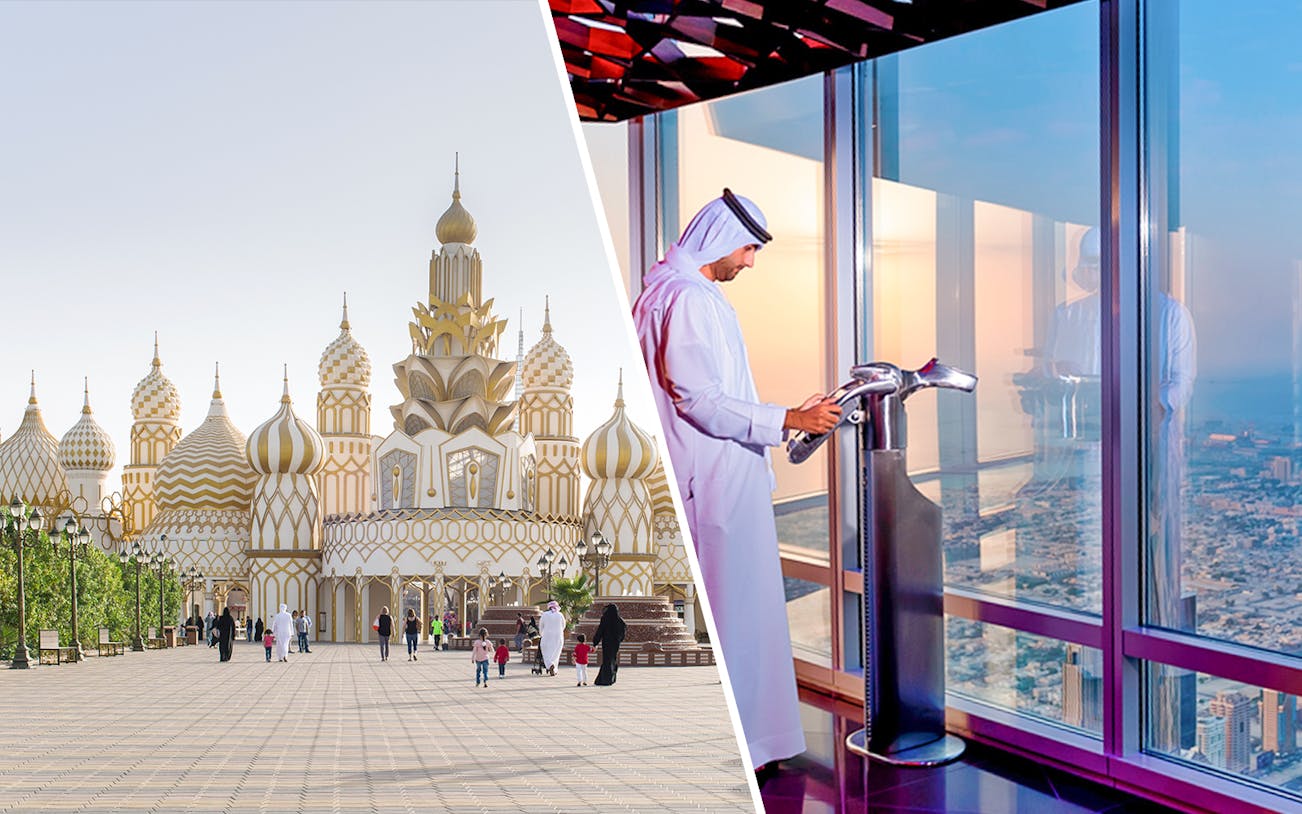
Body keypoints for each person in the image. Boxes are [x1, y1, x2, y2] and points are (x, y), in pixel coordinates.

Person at [631, 191, 841, 771]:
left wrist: (786, 418)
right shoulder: (688, 299)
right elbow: (700, 401)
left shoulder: (669, 293)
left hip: (713, 478)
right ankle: (740, 749)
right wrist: (791, 420)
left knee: (736, 617)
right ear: (721, 239)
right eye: (748, 248)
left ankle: (746, 743)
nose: (748, 262)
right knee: (735, 619)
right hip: (714, 486)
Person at [591, 603, 626, 686]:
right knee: (612, 659)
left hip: (607, 643)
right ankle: (610, 678)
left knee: (607, 660)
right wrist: (619, 640)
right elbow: (623, 632)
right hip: (615, 644)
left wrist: (595, 642)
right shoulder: (620, 621)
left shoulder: (605, 619)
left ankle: (605, 679)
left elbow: (600, 631)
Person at [538, 600, 565, 677]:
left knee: (546, 653)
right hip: (558, 637)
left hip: (547, 636)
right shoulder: (560, 615)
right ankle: (554, 668)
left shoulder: (545, 614)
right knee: (556, 654)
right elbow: (563, 626)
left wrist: (541, 634)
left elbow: (541, 626)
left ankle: (550, 665)